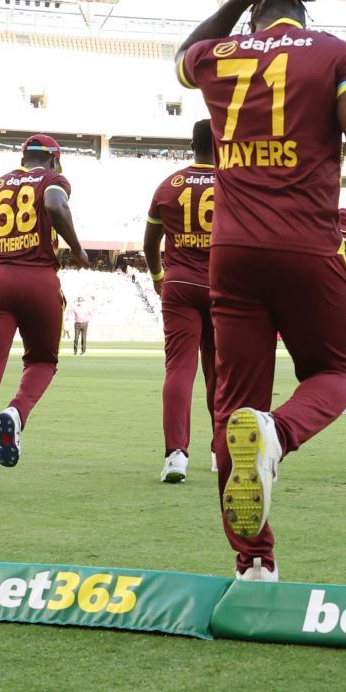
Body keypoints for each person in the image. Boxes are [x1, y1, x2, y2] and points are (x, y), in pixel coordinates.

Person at [175, 0, 346, 581]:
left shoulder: (219, 57)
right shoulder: (337, 55)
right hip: (306, 245)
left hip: (232, 254)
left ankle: (253, 562)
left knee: (233, 409)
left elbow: (185, 52)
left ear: (255, 14)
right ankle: (278, 435)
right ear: (304, 15)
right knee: (337, 373)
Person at [0, 134, 89, 493]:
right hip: (39, 279)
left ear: (22, 157)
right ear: (54, 161)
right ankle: (16, 412)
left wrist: (3, 239)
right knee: (42, 361)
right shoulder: (53, 179)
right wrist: (76, 248)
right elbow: (56, 207)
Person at [143, 119, 218, 484]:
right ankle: (221, 452)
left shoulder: (167, 185)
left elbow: (149, 245)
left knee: (179, 370)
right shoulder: (234, 184)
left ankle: (176, 455)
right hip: (222, 288)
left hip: (179, 284)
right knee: (220, 374)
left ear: (192, 145)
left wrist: (159, 278)